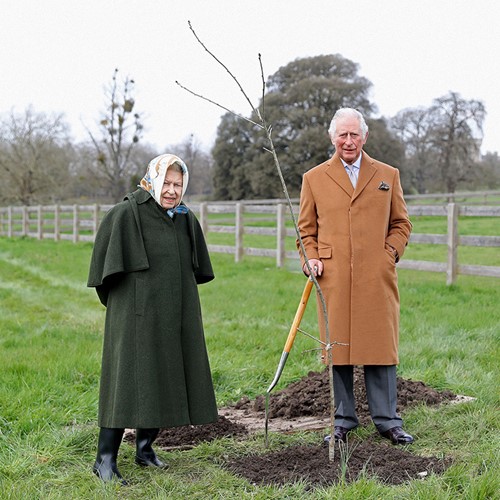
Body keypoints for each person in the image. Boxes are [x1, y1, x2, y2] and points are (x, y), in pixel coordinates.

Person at [87, 154, 218, 484]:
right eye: (168, 183)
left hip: (175, 312)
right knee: (125, 381)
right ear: (154, 179)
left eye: (178, 184)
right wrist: (129, 307)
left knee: (163, 374)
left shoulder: (184, 219)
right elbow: (104, 276)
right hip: (135, 314)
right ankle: (105, 459)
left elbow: (196, 267)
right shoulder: (125, 214)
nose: (172, 191)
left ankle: (145, 449)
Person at [297, 108, 414, 445]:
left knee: (380, 346)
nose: (348, 141)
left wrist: (388, 253)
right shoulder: (314, 178)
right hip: (332, 278)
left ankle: (388, 421)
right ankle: (343, 421)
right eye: (342, 135)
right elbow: (305, 231)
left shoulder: (387, 175)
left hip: (376, 276)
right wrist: (313, 259)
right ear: (333, 138)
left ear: (365, 137)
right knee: (339, 348)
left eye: (354, 135)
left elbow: (401, 224)